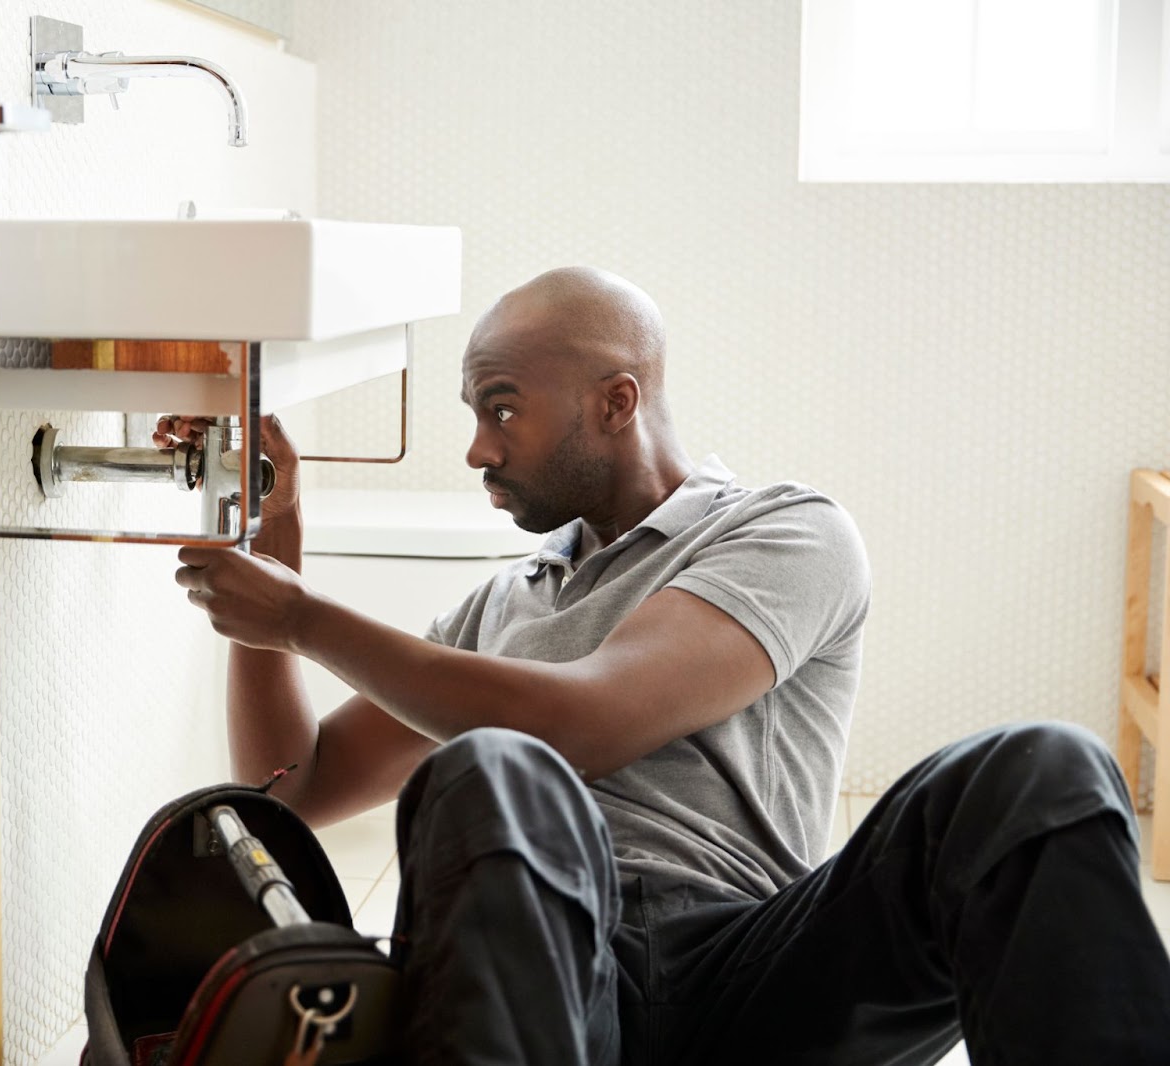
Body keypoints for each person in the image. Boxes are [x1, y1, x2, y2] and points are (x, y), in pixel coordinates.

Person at [160, 267, 1170, 1065]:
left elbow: (586, 720)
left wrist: (302, 618)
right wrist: (269, 591)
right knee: (487, 769)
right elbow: (286, 790)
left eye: (500, 407)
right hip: (548, 976)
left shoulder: (784, 531)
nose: (476, 449)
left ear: (615, 401)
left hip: (755, 975)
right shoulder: (498, 606)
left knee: (1041, 768)